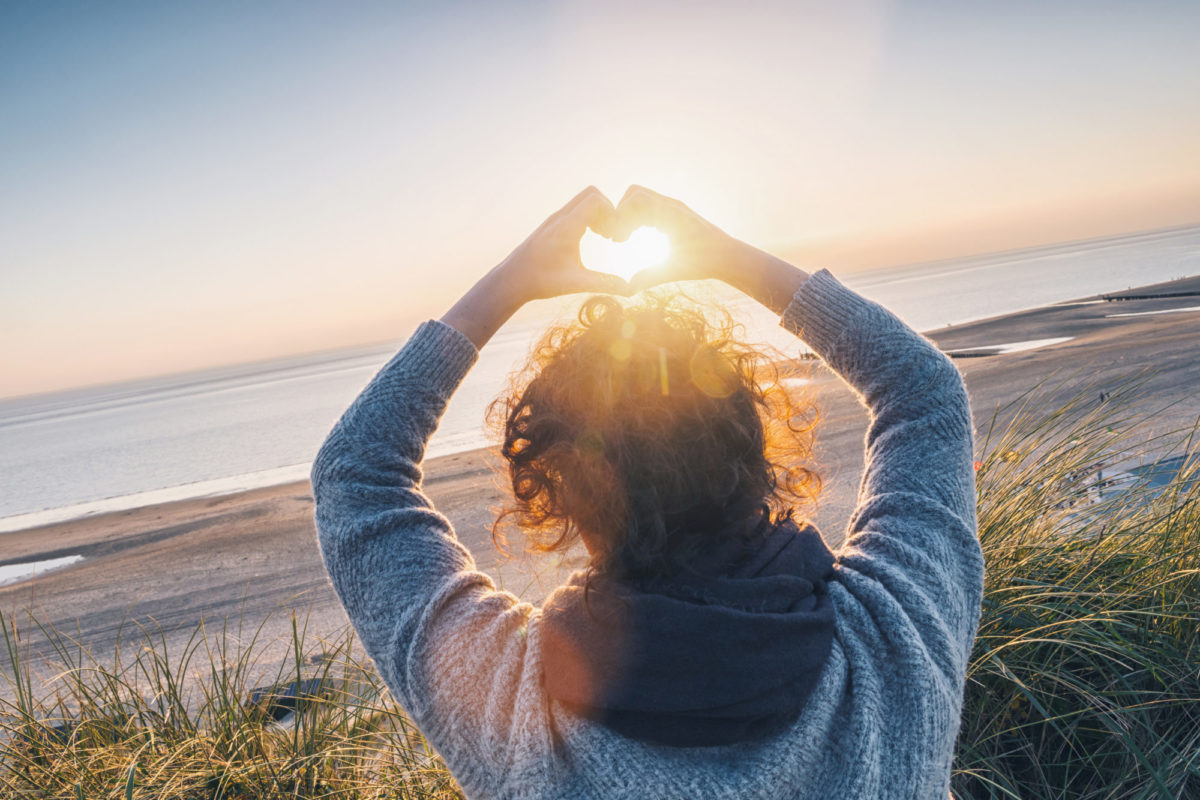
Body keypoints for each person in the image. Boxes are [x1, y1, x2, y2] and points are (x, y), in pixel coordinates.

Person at [312, 186, 984, 799]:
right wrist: (727, 257)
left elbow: (355, 475)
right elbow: (922, 391)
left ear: (562, 494)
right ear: (752, 450)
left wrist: (509, 286)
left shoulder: (516, 708)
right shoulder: (891, 634)